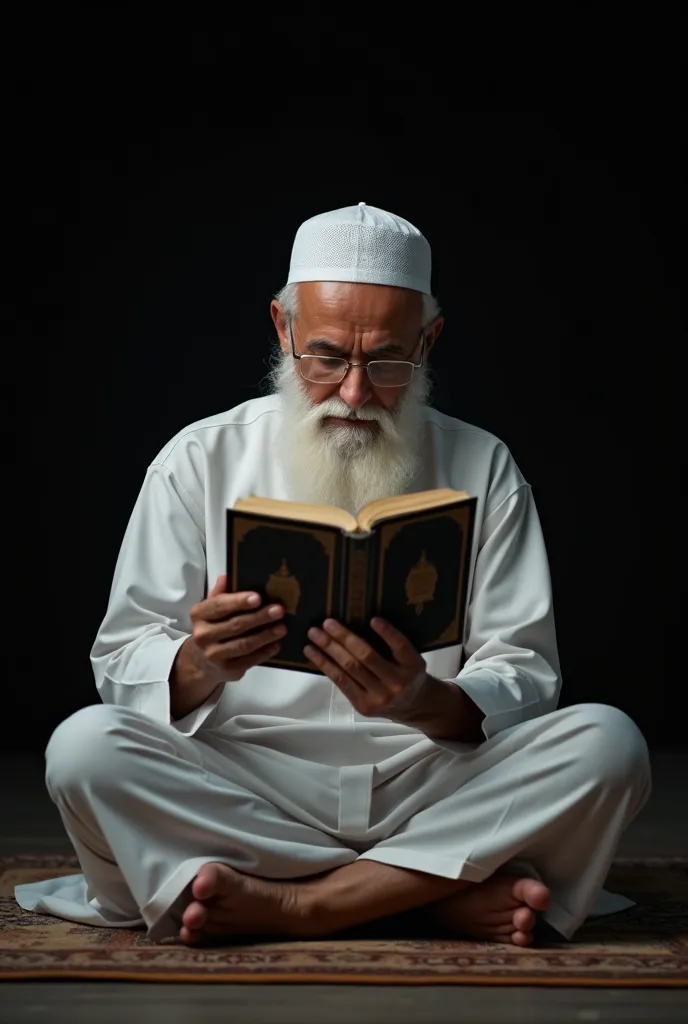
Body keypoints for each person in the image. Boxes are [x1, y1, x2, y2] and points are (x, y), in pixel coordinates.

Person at [16, 202, 650, 947]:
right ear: (283, 330)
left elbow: (526, 673)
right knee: (85, 749)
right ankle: (423, 893)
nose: (354, 392)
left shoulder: (485, 465)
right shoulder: (199, 458)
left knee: (610, 746)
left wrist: (424, 701)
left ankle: (297, 904)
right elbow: (122, 661)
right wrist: (199, 663)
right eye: (326, 357)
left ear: (429, 341)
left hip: (430, 783)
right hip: (248, 784)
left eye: (387, 362)